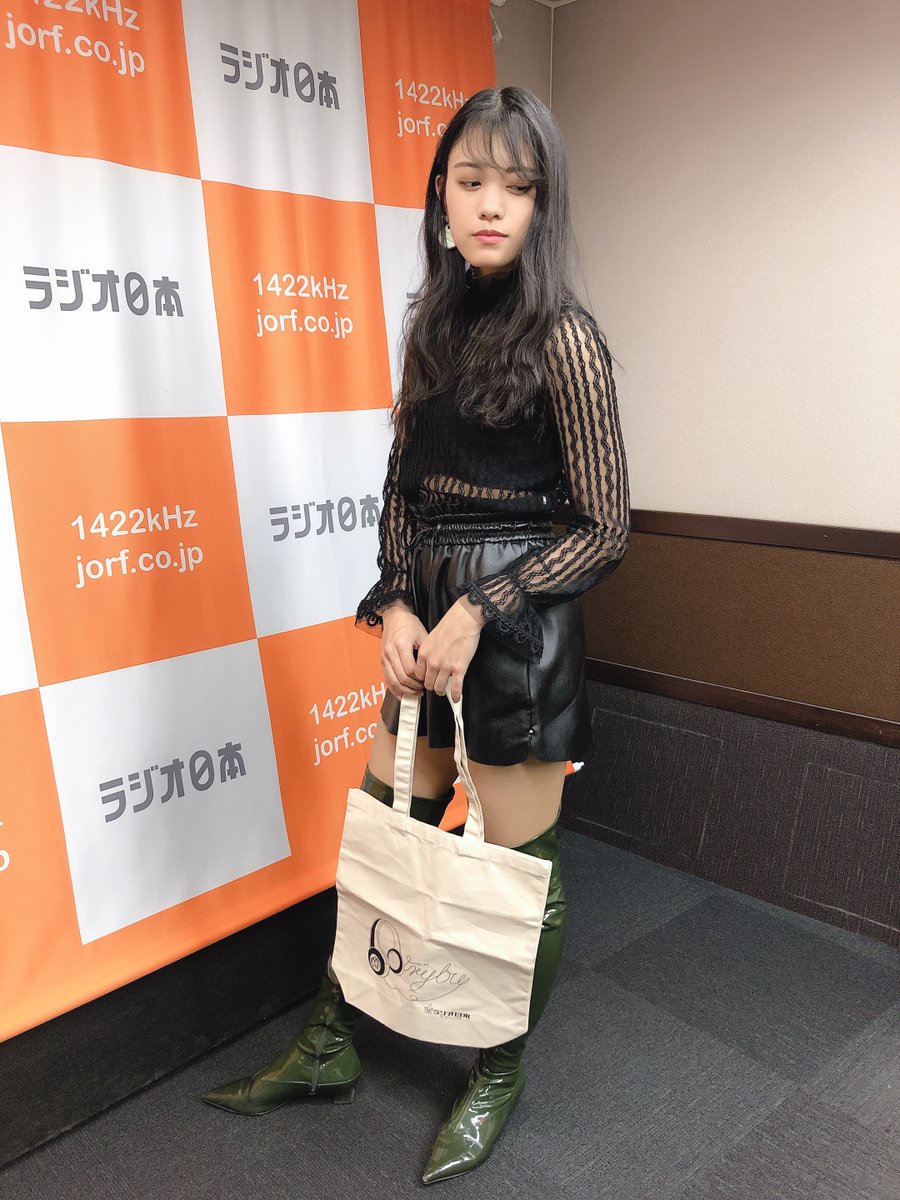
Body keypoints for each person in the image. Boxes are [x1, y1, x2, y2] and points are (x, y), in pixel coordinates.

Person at [202, 85, 630, 1185]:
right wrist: (395, 601)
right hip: (426, 608)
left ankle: (498, 1071)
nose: (491, 205)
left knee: (516, 874)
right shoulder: (432, 325)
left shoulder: (568, 337)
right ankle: (330, 1044)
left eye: (516, 187)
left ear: (542, 204)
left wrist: (480, 609)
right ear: (441, 193)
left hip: (517, 625)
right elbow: (404, 487)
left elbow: (605, 526)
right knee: (382, 834)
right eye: (471, 180)